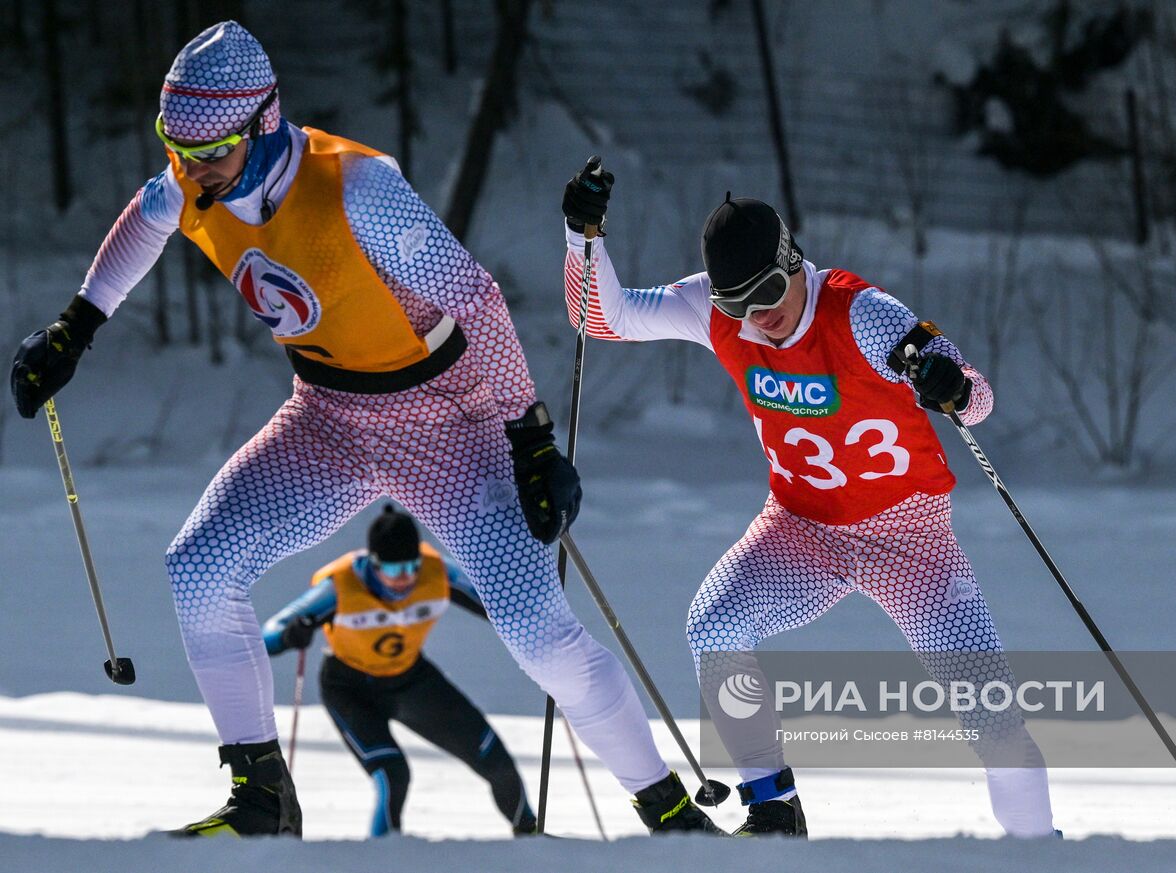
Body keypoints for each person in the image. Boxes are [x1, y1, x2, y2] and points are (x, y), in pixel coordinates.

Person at [9, 22, 720, 837]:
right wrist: (75, 326)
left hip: (447, 419)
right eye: (177, 148)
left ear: (265, 123)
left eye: (213, 152)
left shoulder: (357, 188)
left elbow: (478, 300)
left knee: (537, 633)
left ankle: (670, 815)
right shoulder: (190, 174)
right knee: (198, 568)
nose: (193, 170)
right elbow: (146, 217)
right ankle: (262, 799)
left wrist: (531, 437)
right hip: (327, 417)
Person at [559, 162, 1057, 838]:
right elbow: (601, 318)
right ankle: (774, 808)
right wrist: (579, 237)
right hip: (800, 527)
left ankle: (1039, 852)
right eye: (737, 303)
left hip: (910, 540)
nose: (758, 315)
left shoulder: (866, 315)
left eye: (766, 289)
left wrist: (954, 387)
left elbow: (979, 395)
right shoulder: (716, 308)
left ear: (792, 258)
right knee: (715, 625)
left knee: (993, 720)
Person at [263, 505, 535, 837]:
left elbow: (500, 605)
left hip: (410, 680)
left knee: (495, 760)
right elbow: (270, 633)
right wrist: (291, 633)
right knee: (392, 773)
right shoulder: (342, 586)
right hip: (349, 688)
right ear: (373, 563)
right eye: (393, 568)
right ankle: (385, 857)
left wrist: (533, 624)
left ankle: (532, 842)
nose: (404, 577)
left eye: (411, 566)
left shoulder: (436, 574)